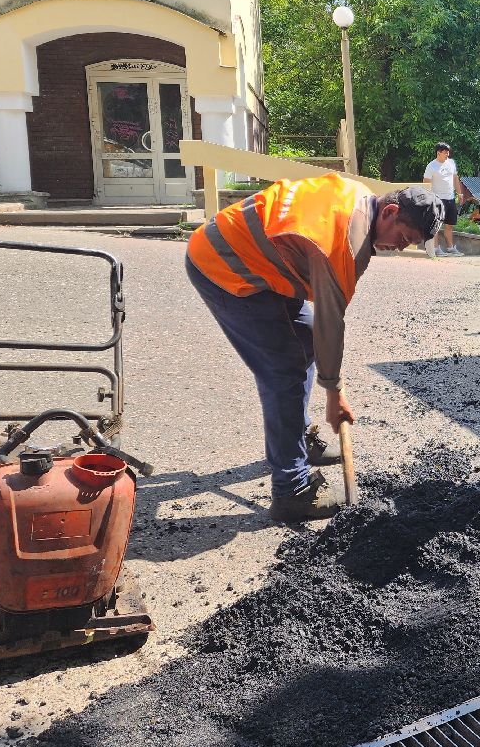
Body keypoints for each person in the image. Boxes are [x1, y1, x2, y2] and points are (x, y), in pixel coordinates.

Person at [186, 175, 443, 523]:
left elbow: (322, 329)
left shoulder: (362, 199)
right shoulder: (344, 243)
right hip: (225, 264)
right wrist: (334, 394)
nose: (399, 247)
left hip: (266, 258)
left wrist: (332, 381)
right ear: (390, 212)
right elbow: (330, 323)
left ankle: (298, 437)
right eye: (403, 238)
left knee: (305, 340)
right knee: (284, 369)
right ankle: (291, 491)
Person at [424, 142, 462, 256]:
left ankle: (450, 248)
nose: (448, 155)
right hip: (437, 199)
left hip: (450, 198)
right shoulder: (431, 166)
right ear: (438, 152)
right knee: (436, 224)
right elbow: (426, 183)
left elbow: (455, 178)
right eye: (445, 152)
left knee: (449, 224)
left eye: (448, 152)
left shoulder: (451, 163)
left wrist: (460, 193)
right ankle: (436, 249)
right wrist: (428, 199)